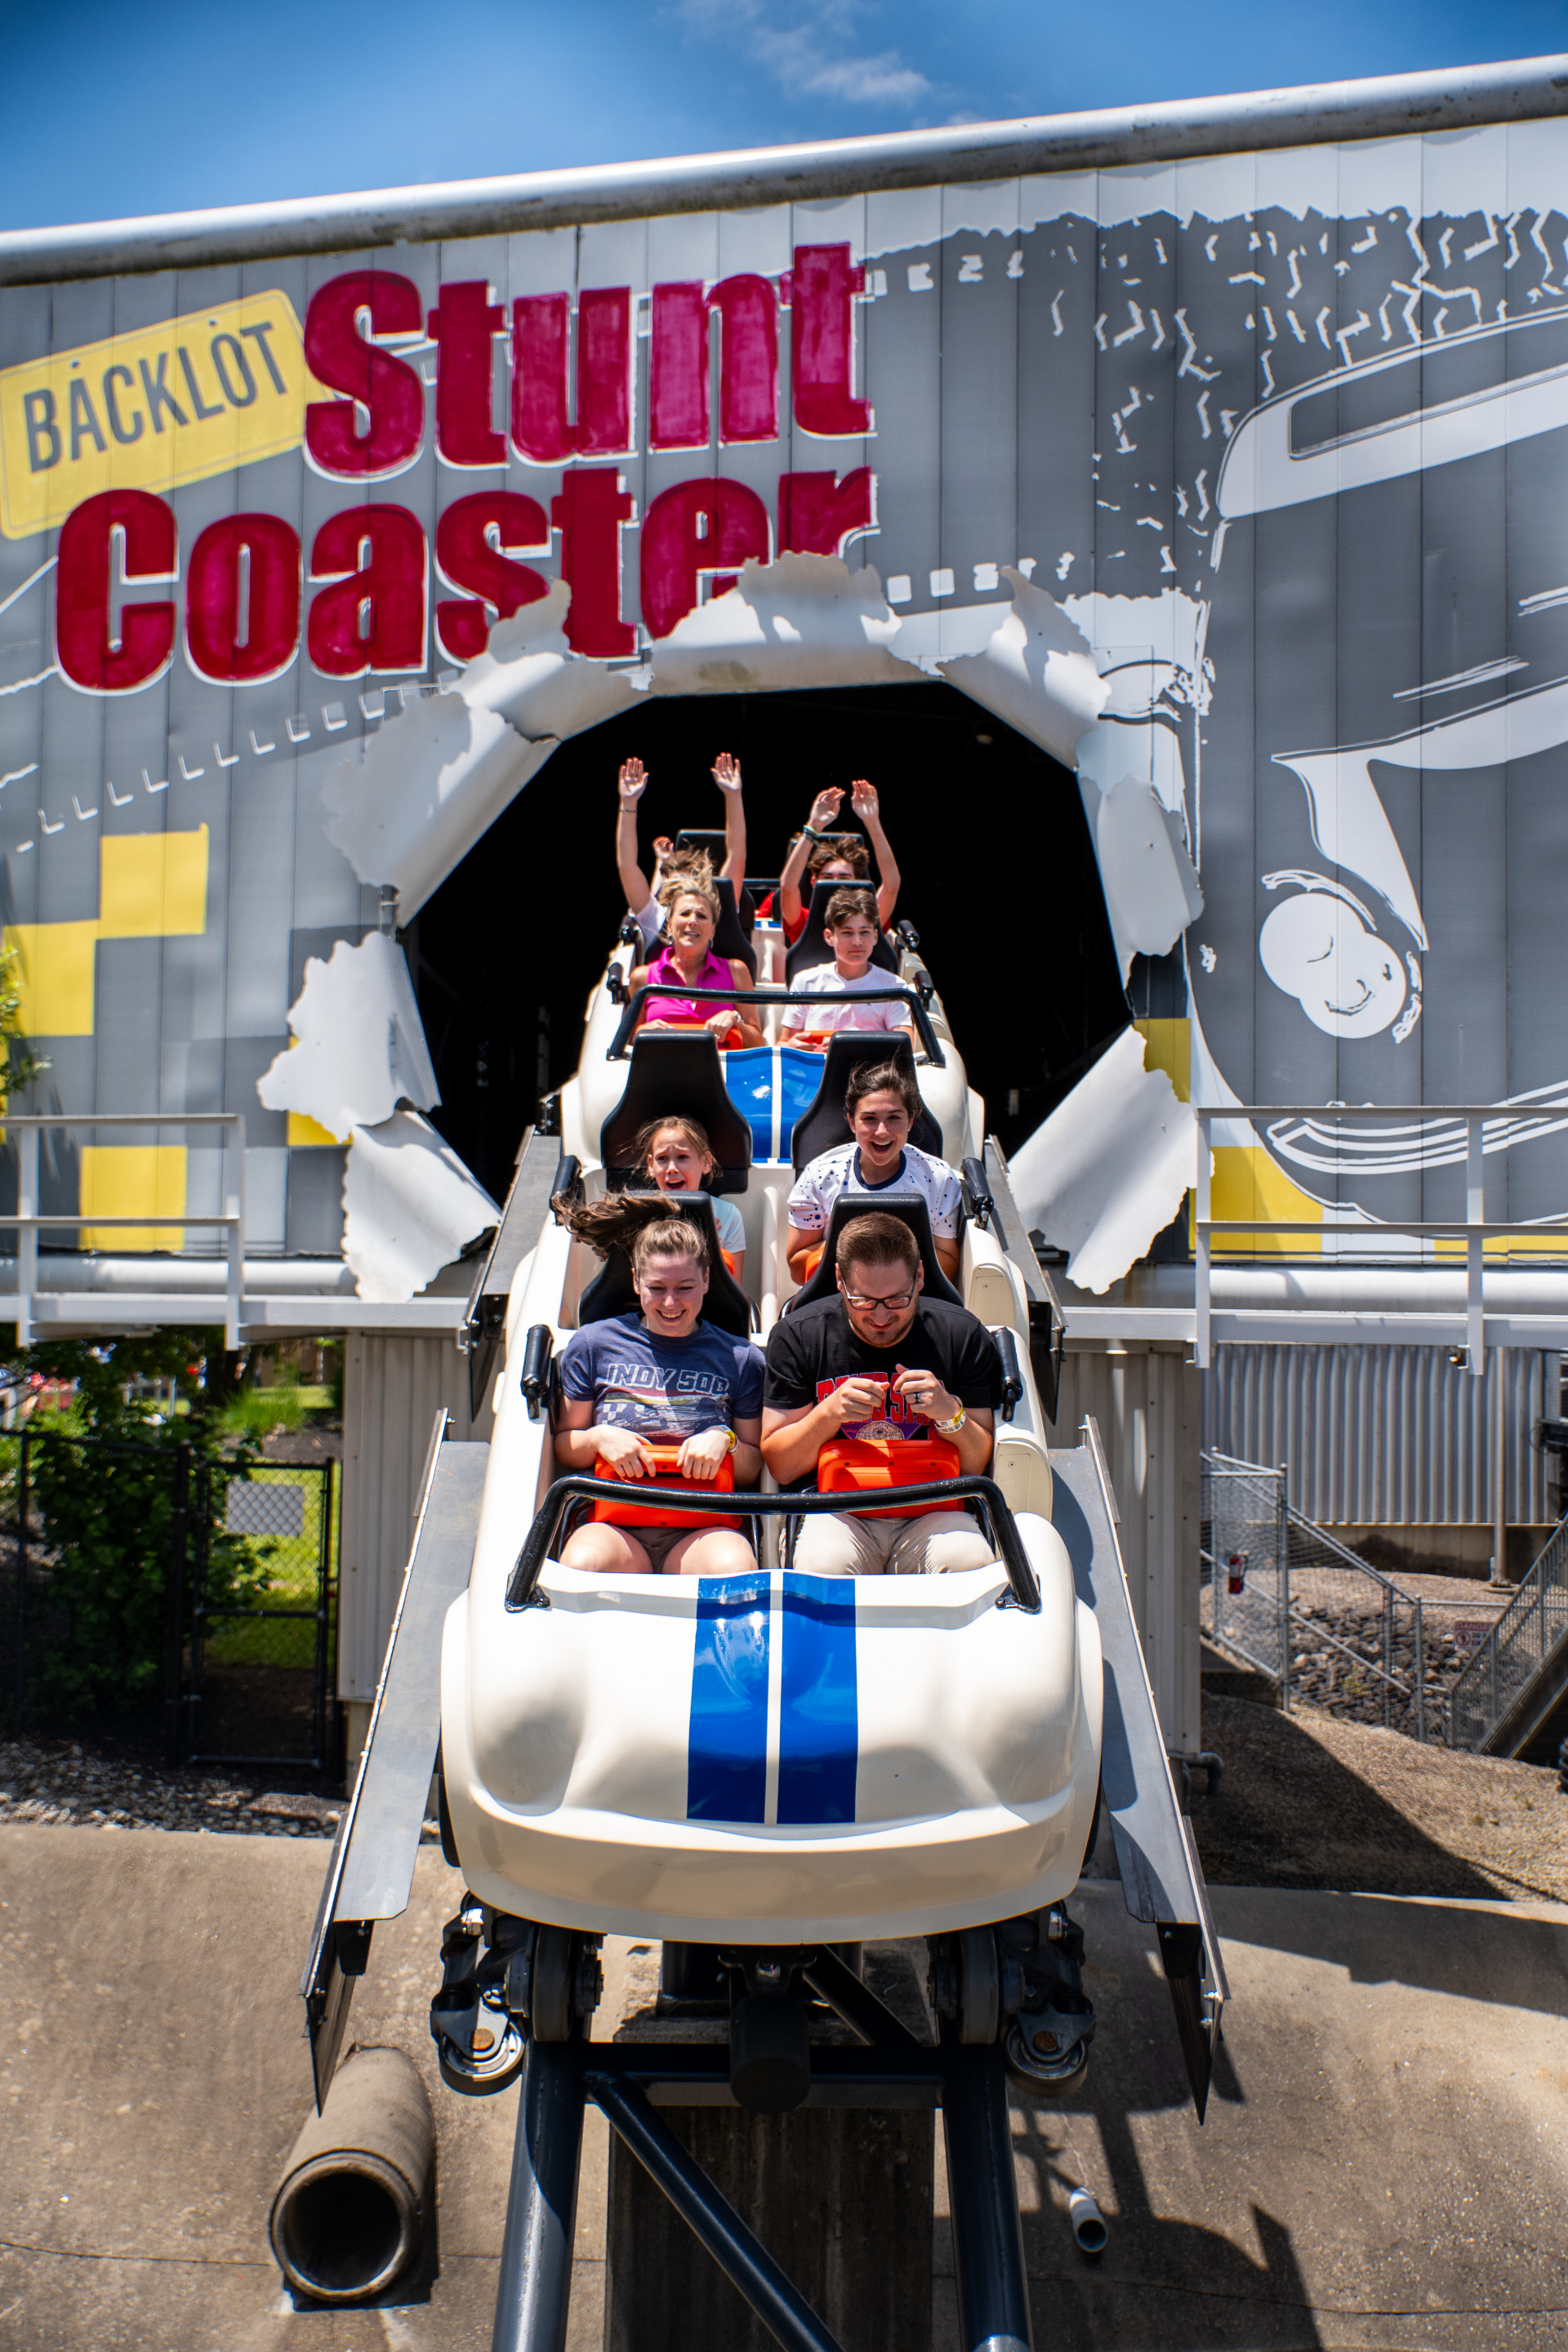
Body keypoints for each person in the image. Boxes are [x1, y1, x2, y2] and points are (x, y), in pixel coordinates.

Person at [761, 1210, 1000, 1576]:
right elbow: (781, 1463)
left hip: (934, 1507)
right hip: (837, 1509)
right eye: (864, 1301)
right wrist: (829, 1414)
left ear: (920, 1277)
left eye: (896, 1300)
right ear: (840, 1280)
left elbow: (976, 1463)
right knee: (823, 1565)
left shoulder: (961, 1335)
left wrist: (949, 1412)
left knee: (970, 1563)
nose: (881, 1316)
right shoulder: (798, 1336)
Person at [555, 1205, 761, 1576]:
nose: (670, 1303)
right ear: (636, 1281)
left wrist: (724, 1438)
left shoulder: (741, 1358)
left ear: (707, 1281)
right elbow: (565, 1445)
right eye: (657, 1288)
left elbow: (753, 1465)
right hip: (615, 1526)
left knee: (734, 1568)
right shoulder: (594, 1344)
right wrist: (599, 1437)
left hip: (702, 1530)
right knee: (582, 1565)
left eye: (684, 1288)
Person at [786, 1058, 963, 1285]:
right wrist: (862, 1246)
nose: (882, 1131)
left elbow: (948, 1265)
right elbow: (797, 1266)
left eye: (894, 1118)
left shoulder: (938, 1178)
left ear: (910, 1120)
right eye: (869, 1119)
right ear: (852, 1122)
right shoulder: (819, 1176)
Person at [617, 752, 747, 953]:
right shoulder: (654, 916)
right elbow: (627, 865)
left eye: (692, 885)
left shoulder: (717, 911)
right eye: (678, 886)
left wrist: (733, 795)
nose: (685, 892)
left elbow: (737, 856)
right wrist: (628, 803)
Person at [629, 878, 764, 1048]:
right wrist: (642, 1032)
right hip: (662, 1069)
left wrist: (735, 1020)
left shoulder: (736, 971)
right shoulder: (642, 978)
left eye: (701, 916)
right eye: (685, 913)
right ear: (670, 926)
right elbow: (627, 1042)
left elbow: (758, 1043)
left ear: (712, 930)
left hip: (722, 1071)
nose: (693, 921)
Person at [779, 890, 913, 1054]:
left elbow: (905, 1048)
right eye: (847, 933)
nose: (857, 942)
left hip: (870, 1075)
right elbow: (783, 1042)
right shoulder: (805, 981)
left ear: (875, 936)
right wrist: (790, 1046)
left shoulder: (895, 987)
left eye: (864, 932)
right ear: (829, 937)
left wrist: (850, 1047)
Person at [768, 780, 901, 945]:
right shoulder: (803, 921)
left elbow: (891, 885)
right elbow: (788, 887)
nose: (836, 884)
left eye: (844, 878)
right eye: (828, 878)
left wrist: (872, 822)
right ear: (814, 882)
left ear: (858, 884)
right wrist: (814, 824)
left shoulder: (868, 920)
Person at [627, 1113, 746, 1280]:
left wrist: (712, 1254)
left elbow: (734, 1289)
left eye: (682, 1157)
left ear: (705, 1162)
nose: (672, 1168)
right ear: (650, 1165)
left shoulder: (728, 1216)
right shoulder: (637, 1214)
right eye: (662, 1159)